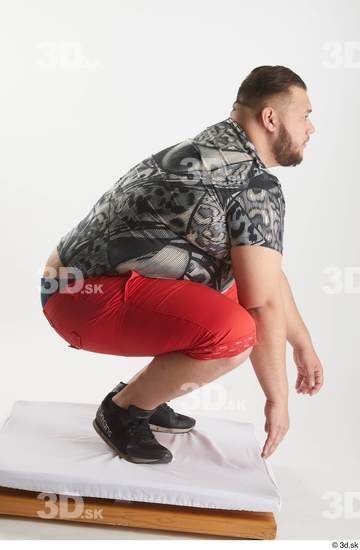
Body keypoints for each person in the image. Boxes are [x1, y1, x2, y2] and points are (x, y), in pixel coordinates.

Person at [41, 65, 324, 465]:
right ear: (271, 118)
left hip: (68, 284)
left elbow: (264, 276)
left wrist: (302, 343)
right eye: (306, 115)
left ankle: (146, 395)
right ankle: (123, 411)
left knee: (244, 284)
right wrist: (277, 401)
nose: (312, 128)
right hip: (84, 301)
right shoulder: (253, 184)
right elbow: (261, 306)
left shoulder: (212, 145)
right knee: (235, 333)